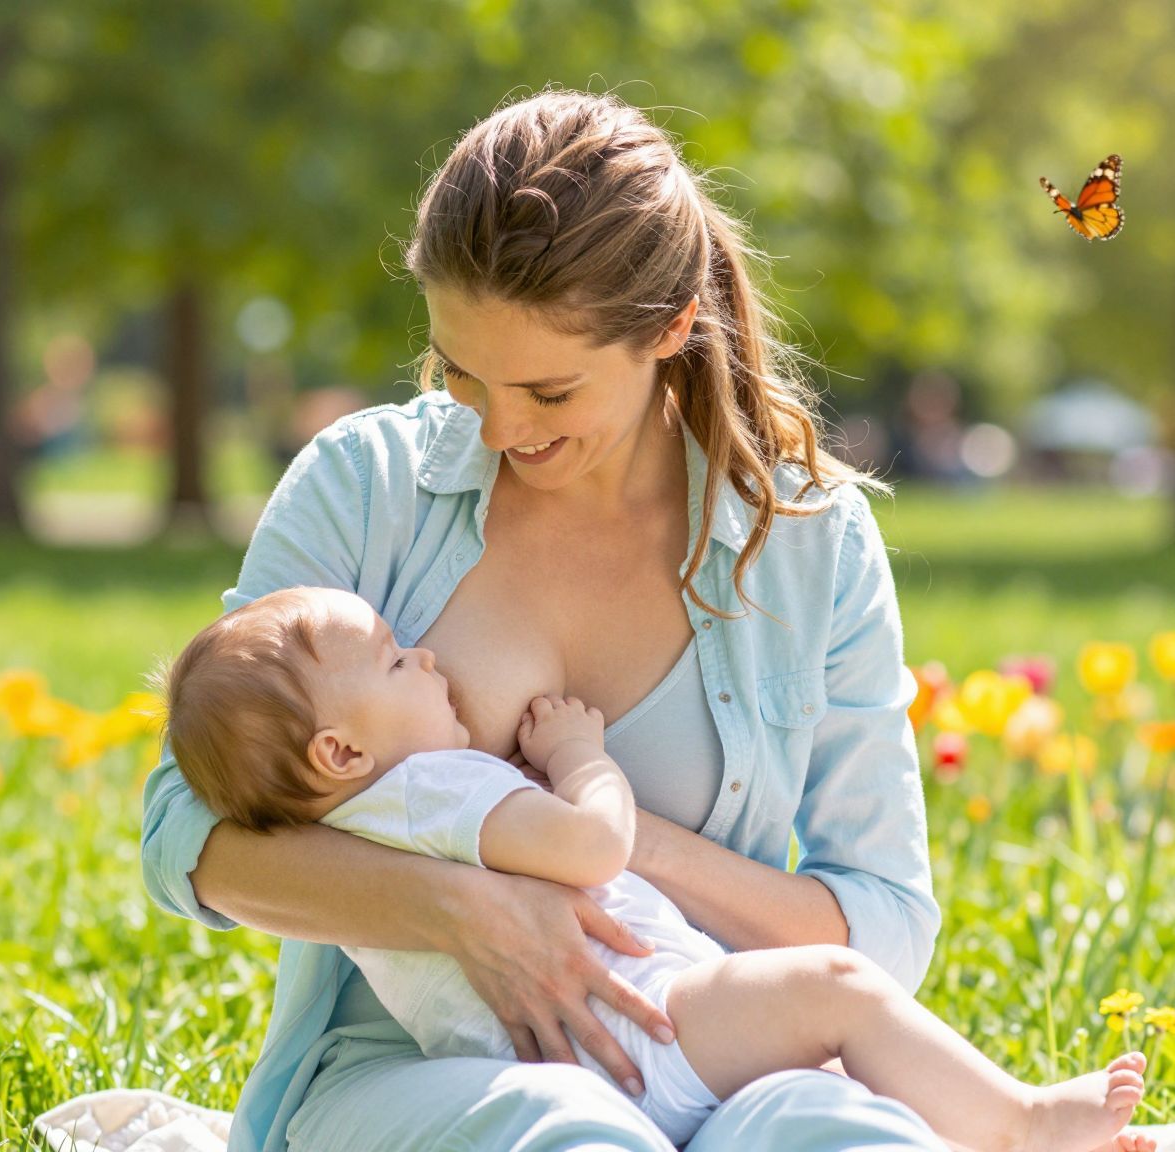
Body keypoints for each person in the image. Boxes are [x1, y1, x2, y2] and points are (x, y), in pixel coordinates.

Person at [139, 88, 954, 1152]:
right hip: (417, 1072)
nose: (504, 425)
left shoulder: (809, 541)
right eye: (464, 373)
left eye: (551, 392)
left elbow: (880, 926)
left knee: (846, 1139)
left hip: (718, 1049)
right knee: (564, 1128)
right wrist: (461, 908)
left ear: (669, 327)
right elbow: (184, 832)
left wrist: (595, 844)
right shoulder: (365, 485)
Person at [159, 586, 1159, 1152]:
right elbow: (593, 848)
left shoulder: (352, 833)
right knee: (838, 989)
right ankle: (1020, 1123)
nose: (423, 658)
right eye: (392, 662)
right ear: (338, 753)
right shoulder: (432, 794)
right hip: (649, 1024)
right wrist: (578, 761)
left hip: (566, 1070)